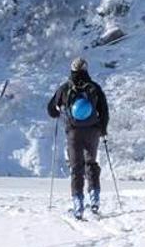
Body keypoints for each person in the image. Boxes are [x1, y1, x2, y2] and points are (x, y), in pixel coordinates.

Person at [46, 57, 110, 219]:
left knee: (76, 167)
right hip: (93, 131)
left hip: (73, 131)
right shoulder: (94, 87)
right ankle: (94, 199)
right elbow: (104, 111)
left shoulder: (65, 88)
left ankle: (78, 203)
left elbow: (51, 110)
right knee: (91, 163)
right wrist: (102, 129)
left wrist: (59, 110)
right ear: (86, 69)